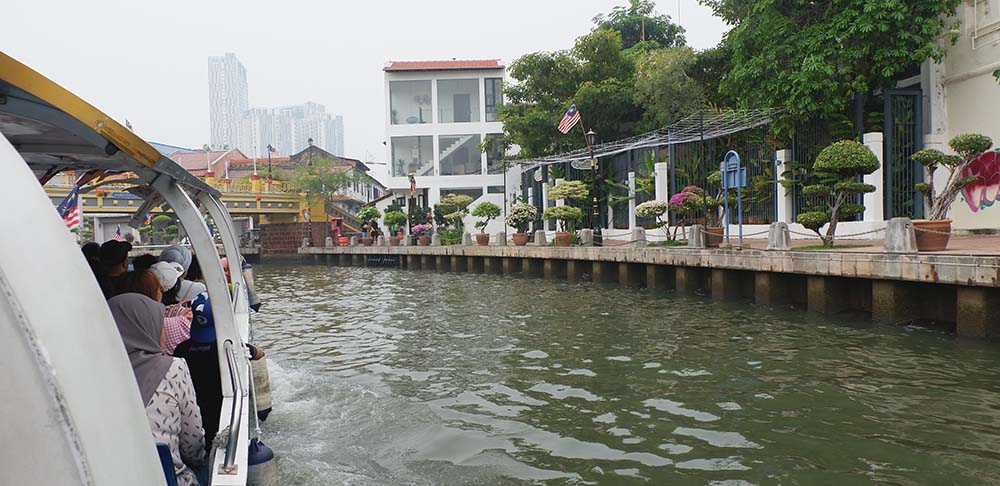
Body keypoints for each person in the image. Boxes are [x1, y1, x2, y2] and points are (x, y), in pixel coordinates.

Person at [108, 293, 207, 486]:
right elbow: (192, 444)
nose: (164, 333)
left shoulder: (88, 373)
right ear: (145, 328)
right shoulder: (174, 368)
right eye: (160, 325)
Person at [174, 292, 264, 451]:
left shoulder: (181, 350)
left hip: (193, 418)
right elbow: (259, 354)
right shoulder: (230, 350)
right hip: (221, 415)